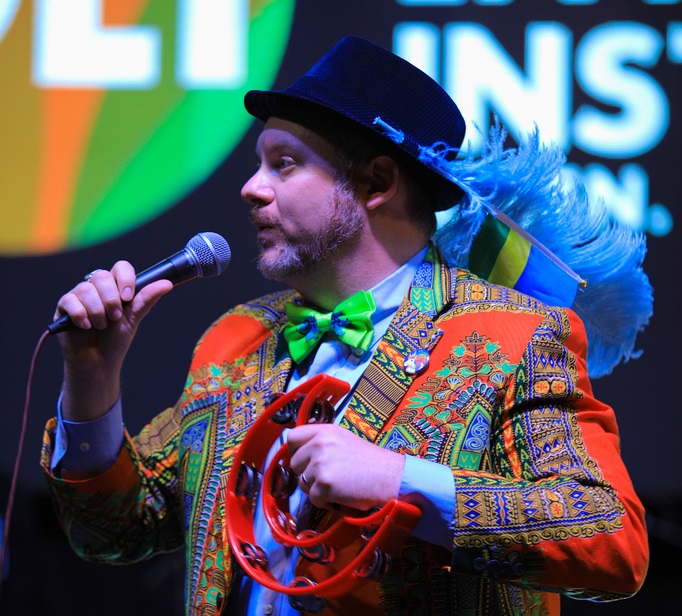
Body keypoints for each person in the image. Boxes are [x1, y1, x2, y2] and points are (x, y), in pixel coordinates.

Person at [41, 36, 649, 615]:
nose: (251, 189)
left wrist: (399, 480)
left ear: (376, 182)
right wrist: (91, 377)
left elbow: (613, 542)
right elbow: (112, 533)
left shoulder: (515, 335)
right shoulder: (236, 337)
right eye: (258, 164)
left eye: (284, 164)